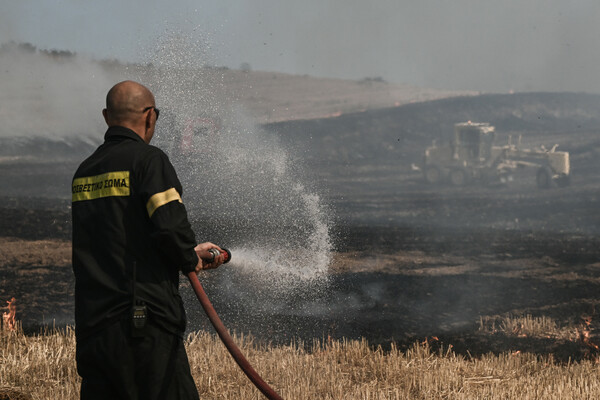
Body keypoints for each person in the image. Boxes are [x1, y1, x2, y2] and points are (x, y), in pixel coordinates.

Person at [72, 80, 225, 400]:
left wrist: (183, 250)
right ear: (150, 116)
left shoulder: (85, 172)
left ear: (106, 116)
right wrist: (191, 257)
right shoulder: (149, 161)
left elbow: (120, 235)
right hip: (144, 325)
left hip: (94, 328)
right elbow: (169, 228)